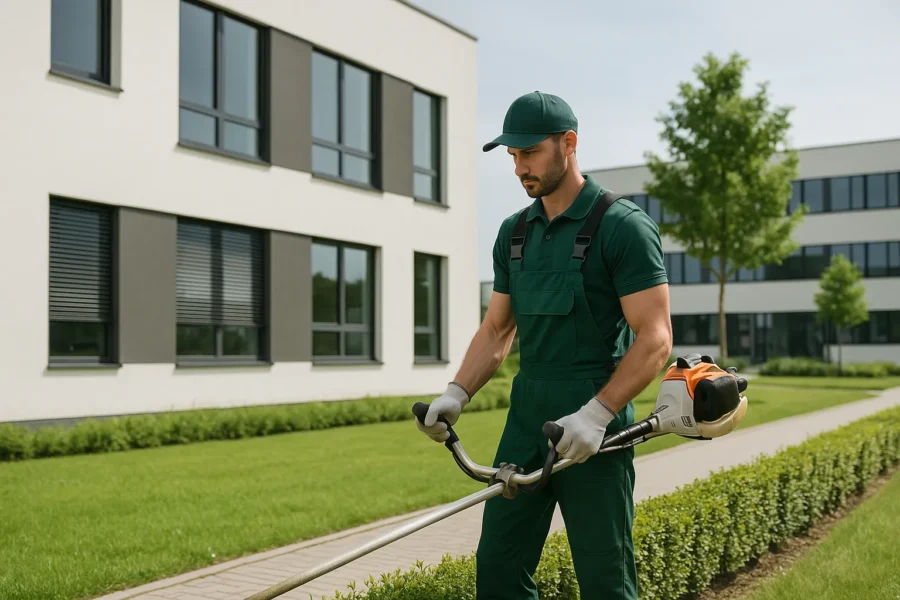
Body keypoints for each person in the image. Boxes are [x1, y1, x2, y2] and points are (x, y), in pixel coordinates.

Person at [414, 91, 673, 599]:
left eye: (529, 153)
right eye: (512, 156)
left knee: (606, 580)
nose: (519, 169)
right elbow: (497, 330)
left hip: (594, 425)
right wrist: (456, 392)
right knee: (498, 570)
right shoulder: (514, 234)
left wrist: (597, 414)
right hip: (525, 419)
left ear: (568, 144)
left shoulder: (622, 227)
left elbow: (655, 338)